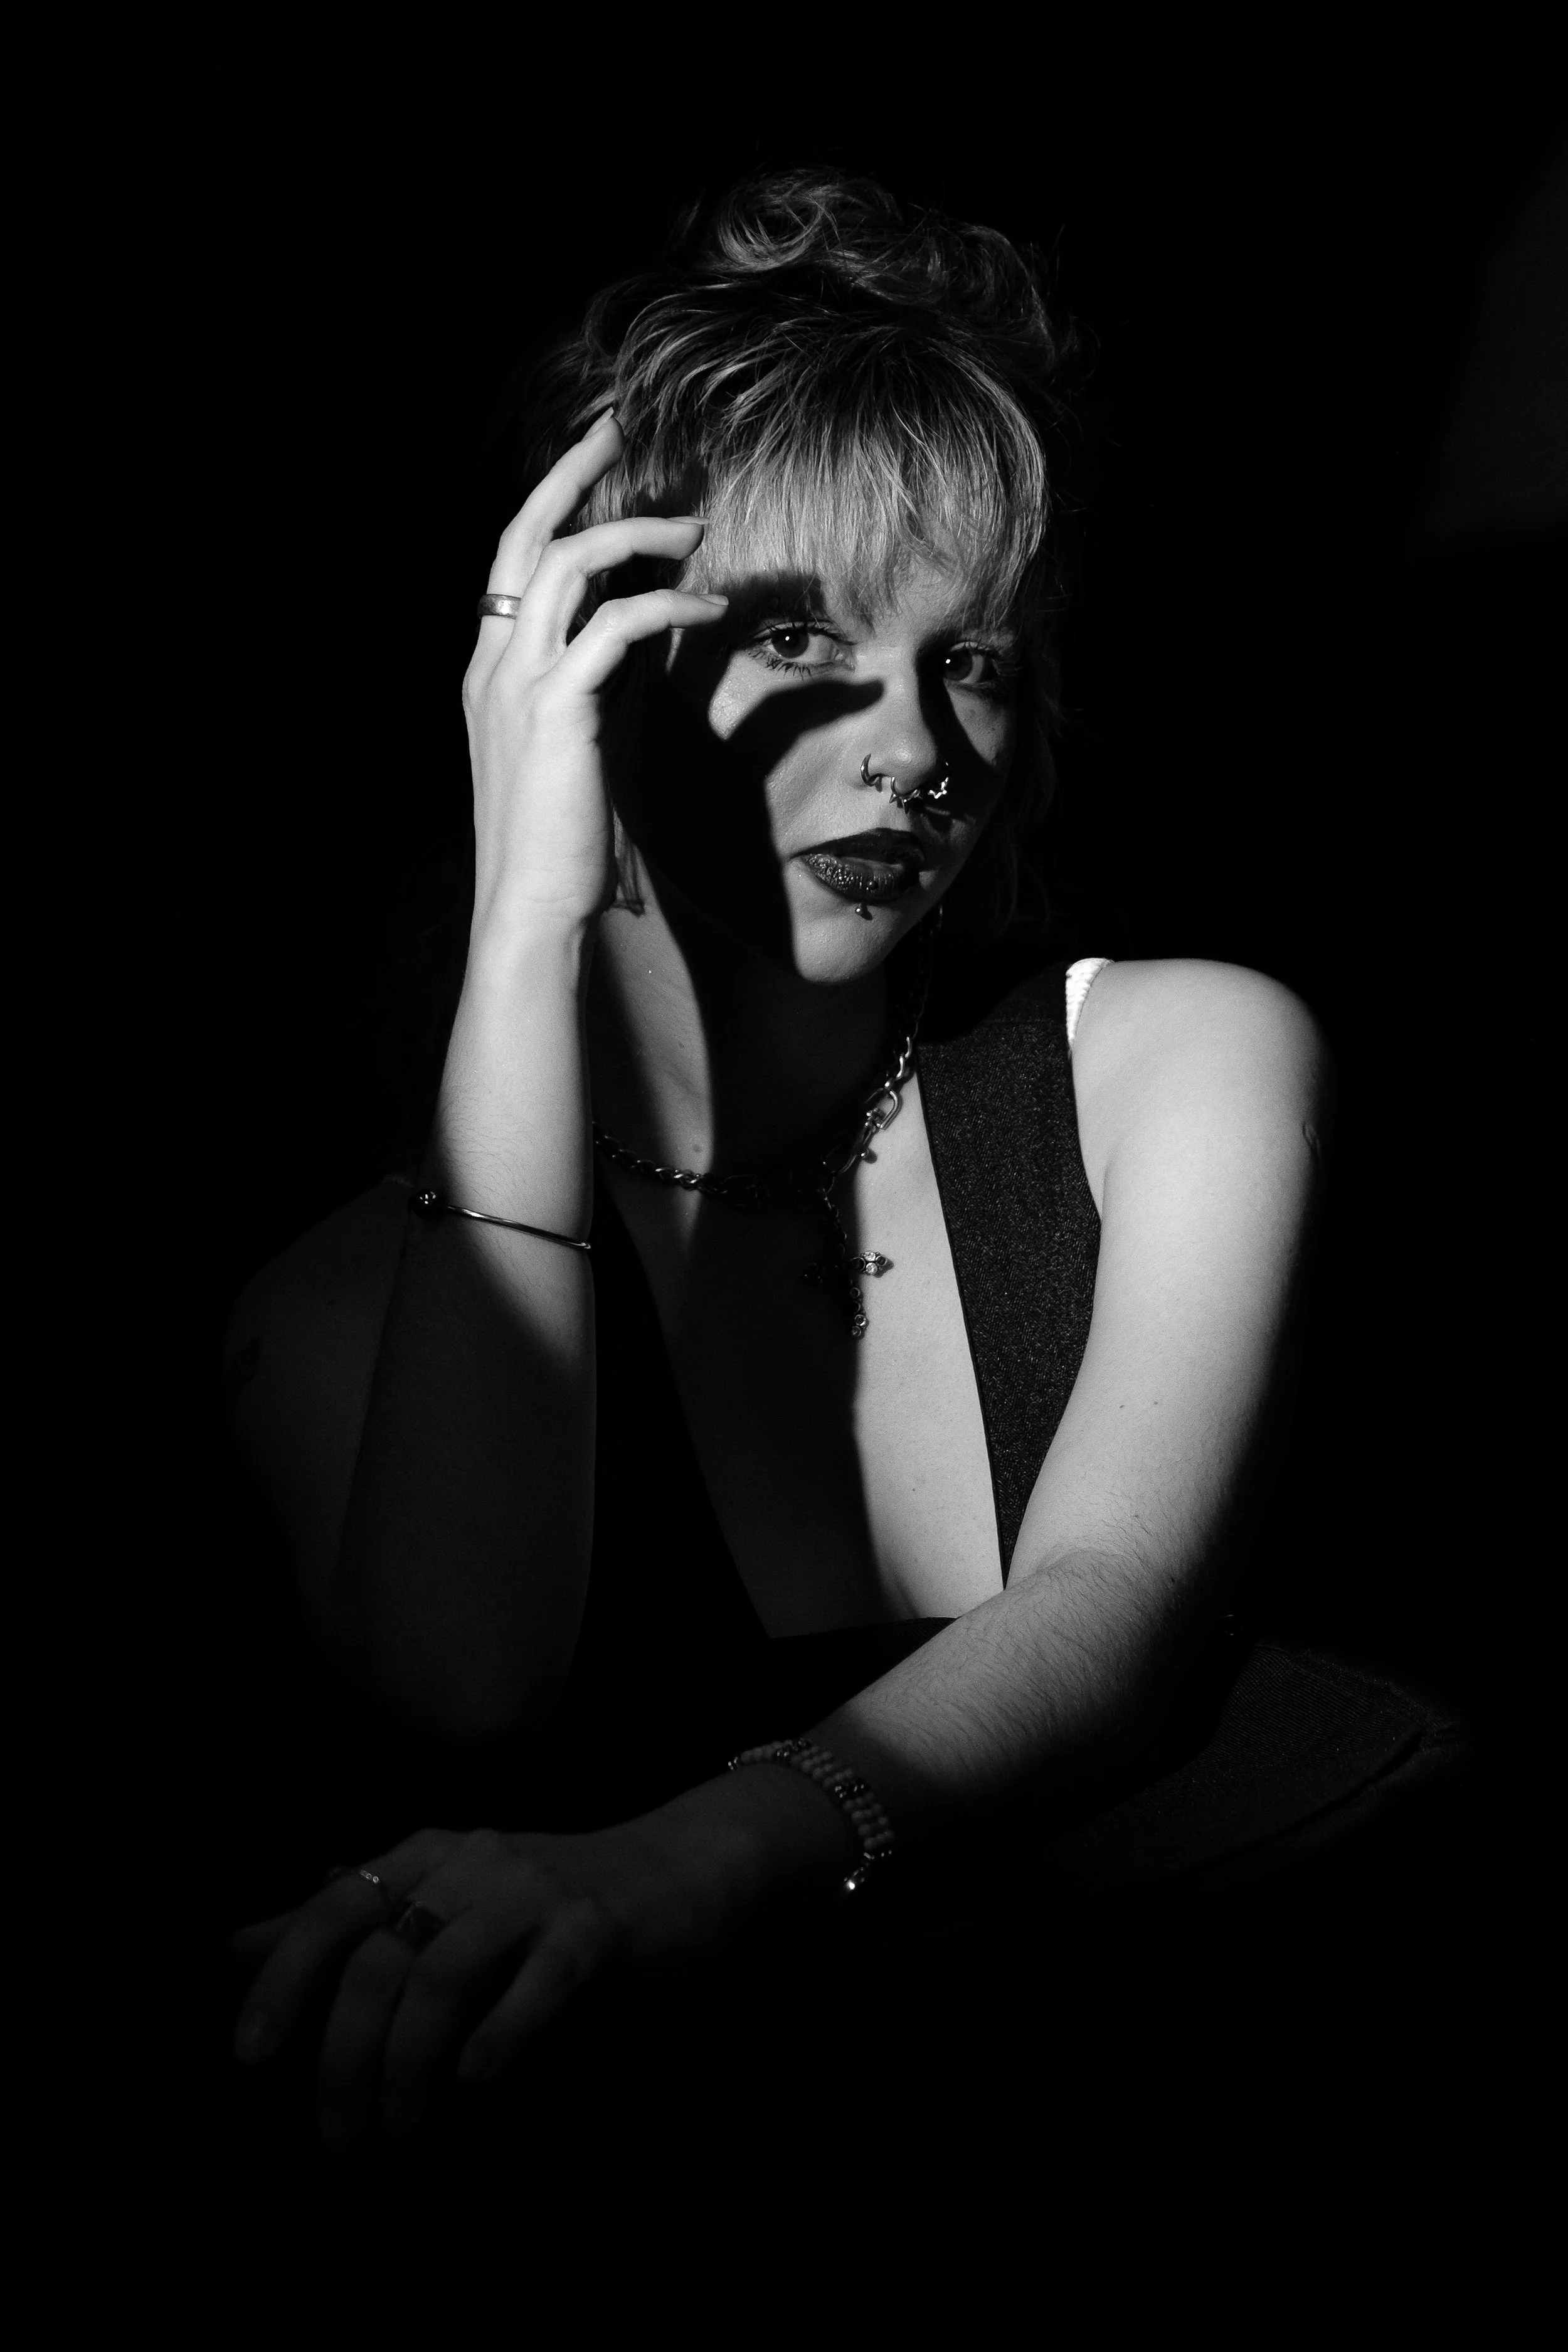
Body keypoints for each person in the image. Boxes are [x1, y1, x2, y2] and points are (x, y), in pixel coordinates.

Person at [223, 169, 1336, 2153]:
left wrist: (675, 1865)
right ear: (586, 667)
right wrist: (524, 911)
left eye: (970, 657)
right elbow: (465, 1693)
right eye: (801, 638)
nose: (914, 744)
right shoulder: (329, 1314)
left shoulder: (1174, 1064)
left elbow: (1108, 1611)